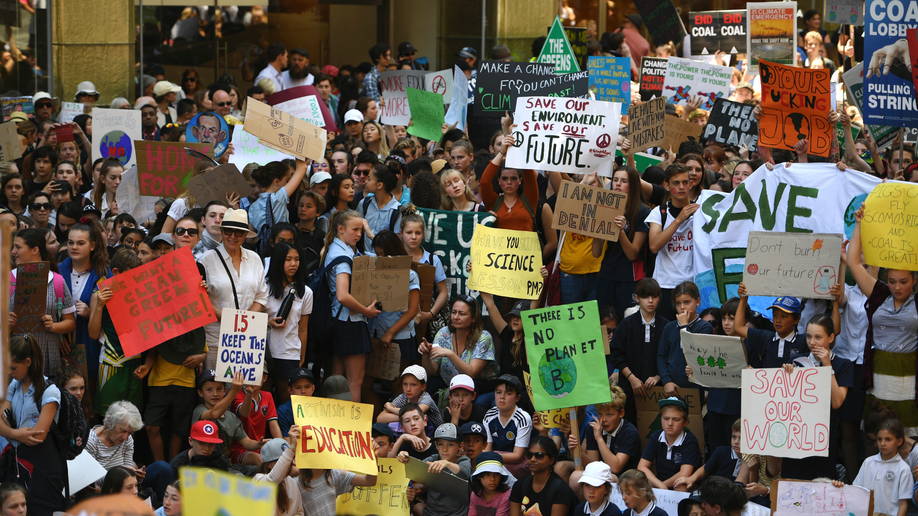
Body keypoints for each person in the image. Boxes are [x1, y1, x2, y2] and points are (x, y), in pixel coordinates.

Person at [848, 204, 918, 435]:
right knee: (876, 437)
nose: (897, 287)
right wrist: (859, 224)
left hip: (910, 380)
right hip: (877, 375)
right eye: (892, 281)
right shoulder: (878, 294)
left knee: (908, 439)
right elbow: (854, 263)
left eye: (903, 282)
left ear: (914, 280)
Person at [0, 336, 67, 515]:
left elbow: (38, 436)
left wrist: (11, 433)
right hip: (18, 461)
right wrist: (17, 434)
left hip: (43, 467)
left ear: (28, 362)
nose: (9, 371)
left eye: (13, 367)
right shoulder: (14, 385)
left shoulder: (49, 390)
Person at [200, 208, 269, 369]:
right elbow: (201, 297)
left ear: (245, 235)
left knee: (243, 390)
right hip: (215, 339)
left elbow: (261, 297)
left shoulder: (254, 259)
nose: (232, 237)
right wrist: (226, 318)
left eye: (238, 233)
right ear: (222, 232)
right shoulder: (207, 259)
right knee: (215, 391)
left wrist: (242, 321)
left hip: (246, 341)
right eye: (228, 231)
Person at [10, 229, 76, 377]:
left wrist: (53, 326)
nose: (13, 251)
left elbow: (70, 322)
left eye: (18, 247)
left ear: (35, 250)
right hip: (14, 358)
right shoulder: (6, 281)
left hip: (48, 358)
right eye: (13, 247)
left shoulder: (57, 281)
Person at [90, 248, 144, 414]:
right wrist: (99, 306)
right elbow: (93, 333)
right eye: (130, 275)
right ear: (115, 272)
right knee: (109, 418)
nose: (134, 279)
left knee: (133, 420)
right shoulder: (99, 294)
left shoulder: (141, 291)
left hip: (136, 364)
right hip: (111, 362)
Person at [59, 221, 110, 396]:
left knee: (87, 398)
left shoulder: (104, 274)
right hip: (62, 346)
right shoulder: (57, 272)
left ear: (92, 246)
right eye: (70, 242)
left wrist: (92, 313)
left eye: (81, 243)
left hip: (92, 346)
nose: (74, 247)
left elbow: (114, 317)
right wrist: (58, 334)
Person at [86, 401, 174, 501]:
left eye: (130, 432)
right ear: (110, 422)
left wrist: (135, 474)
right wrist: (120, 475)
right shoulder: (91, 441)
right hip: (106, 488)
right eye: (122, 430)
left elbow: (128, 468)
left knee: (163, 468)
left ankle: (165, 509)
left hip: (126, 484)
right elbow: (92, 480)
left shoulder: (127, 439)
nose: (126, 437)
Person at [593, 166, 649, 316]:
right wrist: (595, 227)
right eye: (615, 180)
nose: (617, 184)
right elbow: (596, 252)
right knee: (603, 320)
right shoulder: (605, 207)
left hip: (629, 277)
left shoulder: (642, 211)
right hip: (606, 274)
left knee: (626, 321)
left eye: (624, 181)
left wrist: (620, 231)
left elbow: (632, 254)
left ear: (633, 185)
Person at [647, 164, 698, 321]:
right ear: (666, 186)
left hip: (693, 284)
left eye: (685, 182)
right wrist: (678, 220)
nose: (681, 187)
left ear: (691, 184)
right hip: (665, 285)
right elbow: (654, 246)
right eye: (676, 183)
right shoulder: (659, 213)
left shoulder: (701, 212)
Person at [418, 296, 499, 393]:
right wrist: (426, 354)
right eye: (453, 312)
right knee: (429, 384)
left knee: (465, 389)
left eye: (462, 314)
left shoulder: (483, 337)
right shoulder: (443, 334)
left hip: (478, 384)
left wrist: (450, 354)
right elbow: (431, 371)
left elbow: (471, 374)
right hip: (450, 383)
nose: (456, 317)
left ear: (473, 318)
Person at [567, 386, 641, 493]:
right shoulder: (593, 428)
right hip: (600, 474)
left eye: (609, 414)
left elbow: (616, 468)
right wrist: (576, 449)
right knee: (575, 477)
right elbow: (592, 465)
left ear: (621, 413)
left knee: (611, 479)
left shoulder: (630, 432)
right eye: (600, 414)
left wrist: (599, 439)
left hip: (624, 478)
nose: (604, 420)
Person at [265, 241, 312, 404]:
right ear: (278, 261)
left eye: (297, 259)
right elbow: (252, 317)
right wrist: (269, 322)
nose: (293, 264)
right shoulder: (264, 287)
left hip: (289, 351)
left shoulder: (305, 292)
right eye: (288, 259)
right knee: (263, 397)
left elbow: (303, 329)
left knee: (287, 399)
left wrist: (302, 356)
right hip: (265, 351)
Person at [398, 423, 472, 516]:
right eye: (441, 444)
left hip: (456, 514)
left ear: (460, 446)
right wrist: (405, 457)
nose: (445, 449)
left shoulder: (463, 460)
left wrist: (448, 464)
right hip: (431, 513)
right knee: (417, 507)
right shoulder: (433, 459)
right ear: (436, 445)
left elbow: (464, 472)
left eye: (450, 445)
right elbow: (416, 468)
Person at [657, 282, 712, 398]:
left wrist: (684, 326)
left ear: (697, 301)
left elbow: (694, 353)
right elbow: (661, 356)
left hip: (695, 387)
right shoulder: (669, 327)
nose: (682, 307)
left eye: (687, 302)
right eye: (678, 303)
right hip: (672, 386)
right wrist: (666, 381)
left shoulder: (704, 327)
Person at [638, 397, 701, 491]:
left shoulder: (689, 441)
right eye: (666, 418)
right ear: (661, 419)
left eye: (676, 419)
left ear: (685, 422)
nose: (670, 423)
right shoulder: (656, 436)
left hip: (682, 483)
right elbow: (642, 467)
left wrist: (662, 486)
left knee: (681, 486)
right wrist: (660, 485)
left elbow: (684, 474)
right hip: (660, 483)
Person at [734, 286, 806, 368]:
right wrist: (743, 299)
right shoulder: (765, 337)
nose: (778, 320)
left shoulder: (805, 341)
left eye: (783, 316)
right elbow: (738, 327)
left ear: (797, 319)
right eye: (775, 315)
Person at [481, 133, 538, 231]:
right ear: (498, 180)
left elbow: (528, 172)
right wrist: (501, 152)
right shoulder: (494, 203)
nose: (509, 182)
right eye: (504, 178)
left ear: (520, 180)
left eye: (514, 178)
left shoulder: (529, 199)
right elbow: (484, 183)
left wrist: (518, 148)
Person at [509, 436, 577, 516]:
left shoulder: (560, 490)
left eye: (539, 455)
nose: (533, 459)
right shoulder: (519, 485)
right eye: (529, 455)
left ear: (551, 460)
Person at [675, 420, 743, 490]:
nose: (736, 442)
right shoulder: (721, 451)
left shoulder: (752, 458)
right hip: (714, 491)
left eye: (741, 438)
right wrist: (691, 479)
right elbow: (705, 469)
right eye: (734, 437)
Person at [254, 434, 302, 516]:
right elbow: (274, 478)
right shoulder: (258, 480)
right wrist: (291, 448)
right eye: (279, 461)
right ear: (268, 464)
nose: (286, 465)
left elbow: (299, 512)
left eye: (288, 460)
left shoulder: (292, 482)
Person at [469, 452, 515, 516]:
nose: (492, 479)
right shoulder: (475, 494)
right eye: (487, 474)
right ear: (479, 476)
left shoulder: (505, 495)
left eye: (496, 474)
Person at [276, 368, 315, 436]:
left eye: (307, 387)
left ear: (313, 388)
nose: (303, 391)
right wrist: (291, 439)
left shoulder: (323, 409)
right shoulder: (283, 412)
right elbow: (283, 442)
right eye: (298, 387)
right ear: (290, 390)